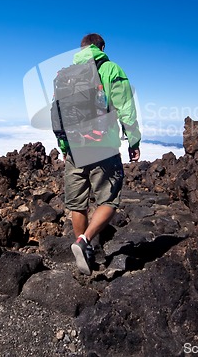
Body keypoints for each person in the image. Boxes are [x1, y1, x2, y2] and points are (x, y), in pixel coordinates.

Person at [58, 33, 141, 275]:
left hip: (74, 146)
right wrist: (133, 141)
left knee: (77, 204)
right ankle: (85, 241)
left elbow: (59, 115)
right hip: (103, 146)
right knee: (109, 200)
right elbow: (126, 108)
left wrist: (64, 148)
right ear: (101, 47)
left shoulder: (65, 75)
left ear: (81, 48)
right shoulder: (111, 69)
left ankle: (85, 251)